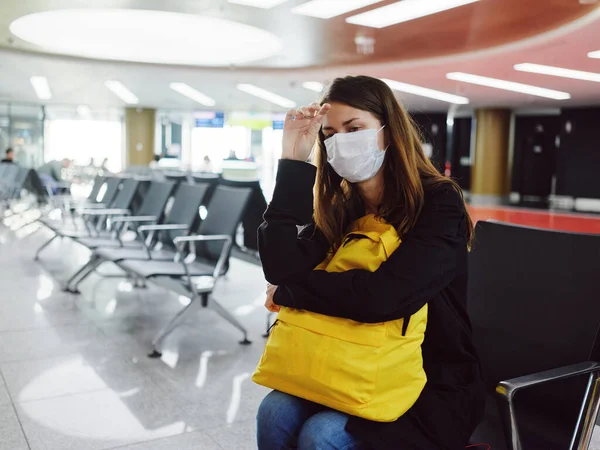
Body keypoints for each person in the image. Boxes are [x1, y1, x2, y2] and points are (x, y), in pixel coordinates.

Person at [256, 76, 485, 450]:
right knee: (275, 411)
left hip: (428, 376)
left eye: (354, 128)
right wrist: (292, 160)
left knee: (322, 435)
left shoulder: (439, 204)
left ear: (388, 131)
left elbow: (382, 297)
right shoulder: (342, 205)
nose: (340, 142)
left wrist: (293, 293)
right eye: (330, 133)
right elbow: (281, 268)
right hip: (346, 360)